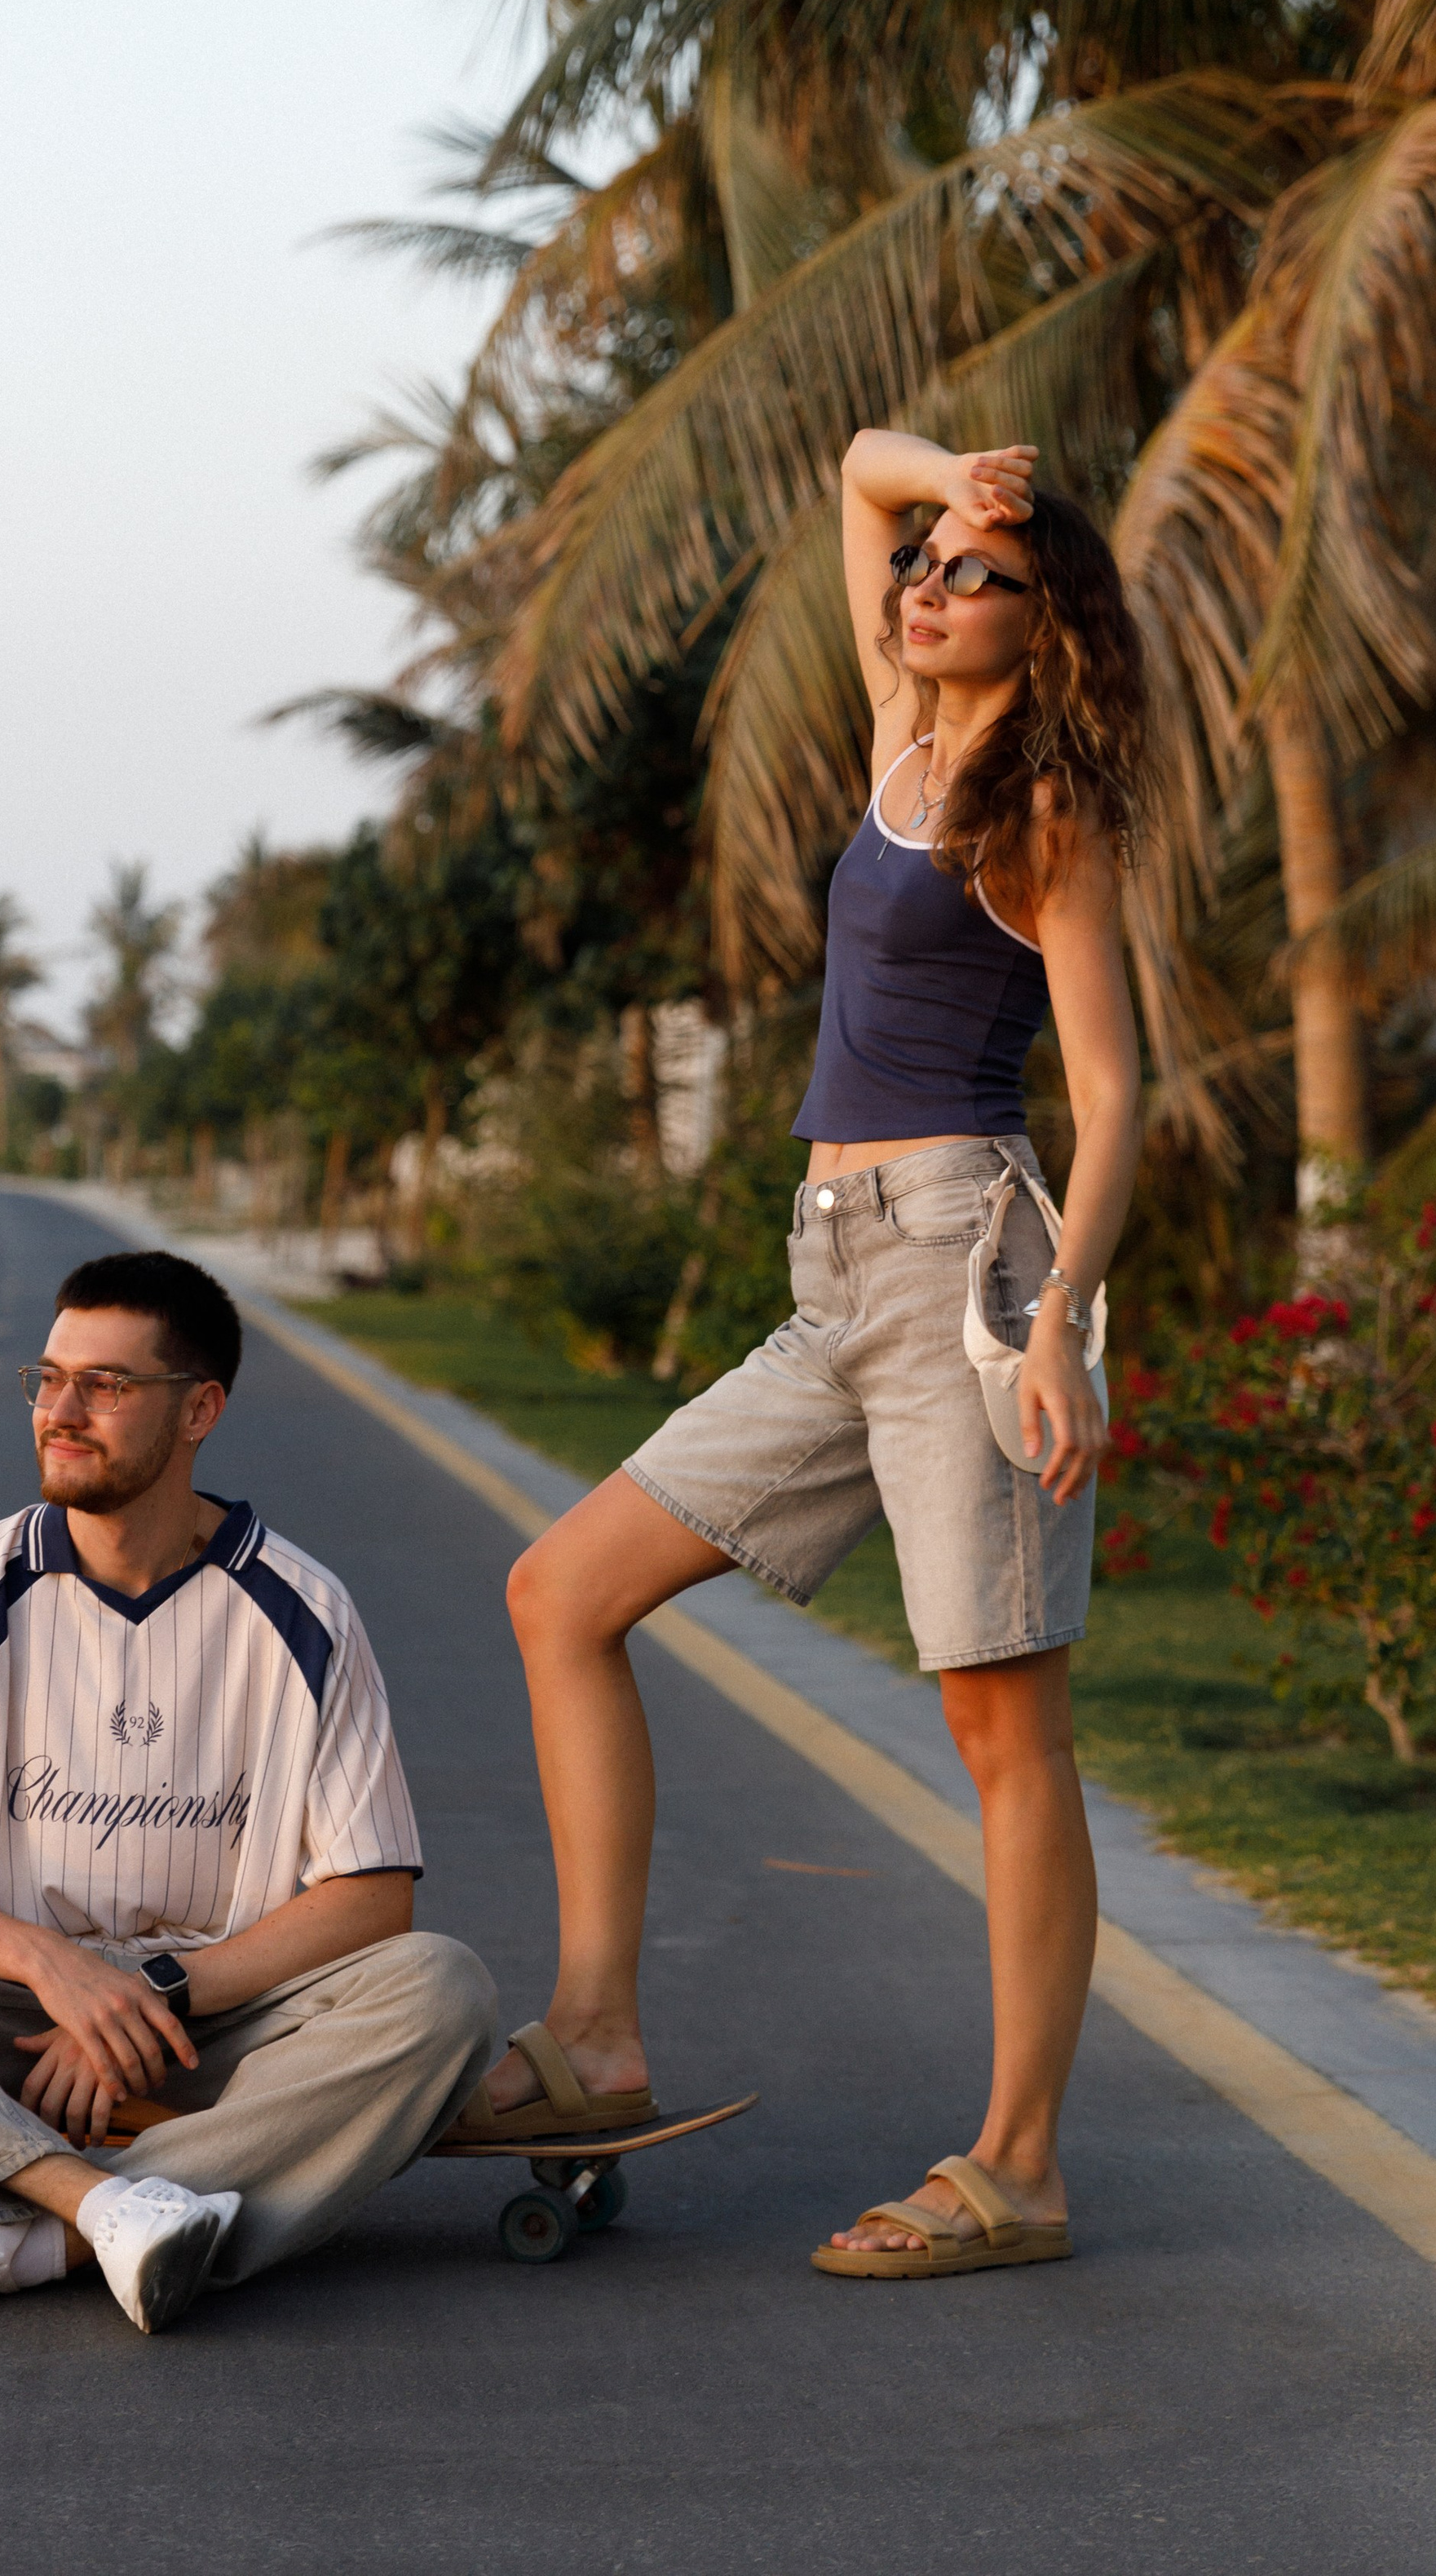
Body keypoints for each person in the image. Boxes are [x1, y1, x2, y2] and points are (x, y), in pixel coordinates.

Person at [466, 429, 1148, 2278]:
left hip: (958, 1263)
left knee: (1001, 1722)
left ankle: (1017, 2168)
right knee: (560, 1592)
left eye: (968, 572)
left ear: (1043, 618)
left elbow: (1108, 1087)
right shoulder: (896, 743)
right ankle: (594, 2037)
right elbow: (853, 468)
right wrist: (955, 476)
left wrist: (1057, 1327)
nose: (921, 585)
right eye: (918, 569)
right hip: (829, 1270)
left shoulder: (1041, 807)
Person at [0, 1247, 498, 2333]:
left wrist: (152, 1993)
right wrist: (50, 1969)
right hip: (1, 2010)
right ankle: (106, 2205)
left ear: (199, 1408)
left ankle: (24, 2234)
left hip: (214, 2016)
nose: (61, 1412)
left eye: (106, 1386)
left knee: (442, 1991)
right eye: (49, 1378)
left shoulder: (305, 1609)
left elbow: (372, 1898)